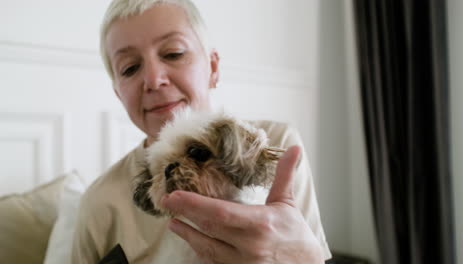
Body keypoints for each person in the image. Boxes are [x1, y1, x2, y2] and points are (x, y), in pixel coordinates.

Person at [71, 0, 331, 263]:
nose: (153, 79)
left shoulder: (276, 144)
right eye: (130, 68)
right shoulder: (99, 203)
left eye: (173, 53)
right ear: (118, 93)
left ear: (213, 67)